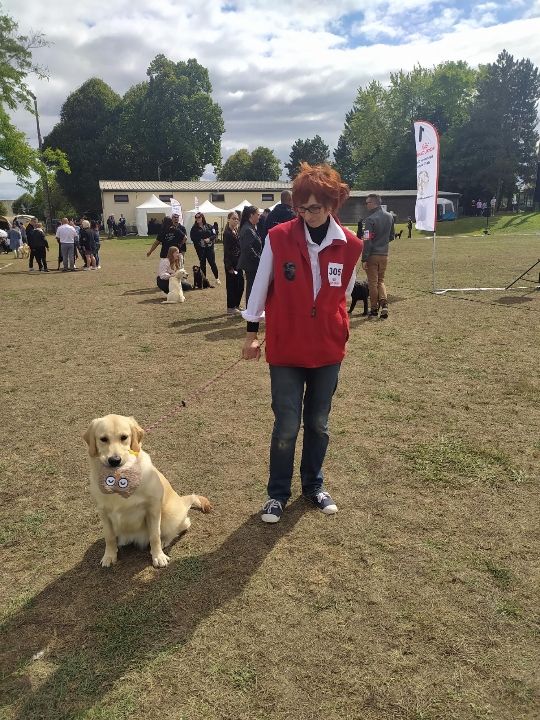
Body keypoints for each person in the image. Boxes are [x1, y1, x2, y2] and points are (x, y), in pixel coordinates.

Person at [241, 162, 362, 524]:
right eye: (301, 207)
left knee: (319, 422)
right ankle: (277, 494)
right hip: (286, 349)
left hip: (327, 349)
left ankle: (314, 486)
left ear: (331, 205)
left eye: (315, 207)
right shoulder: (278, 237)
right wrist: (251, 334)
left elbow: (344, 291)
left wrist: (331, 322)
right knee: (287, 423)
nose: (307, 214)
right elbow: (260, 285)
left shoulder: (350, 245)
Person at [362, 193, 394, 319]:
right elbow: (392, 236)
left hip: (372, 255)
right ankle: (384, 304)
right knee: (381, 281)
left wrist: (364, 258)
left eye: (367, 203)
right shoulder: (390, 216)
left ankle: (374, 309)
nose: (366, 205)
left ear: (374, 203)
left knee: (372, 283)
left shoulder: (370, 219)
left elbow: (367, 240)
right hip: (384, 254)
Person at [237, 205, 261, 304]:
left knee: (252, 288)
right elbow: (248, 248)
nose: (259, 216)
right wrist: (259, 259)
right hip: (251, 264)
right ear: (251, 215)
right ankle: (251, 311)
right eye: (258, 214)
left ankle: (252, 310)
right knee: (251, 289)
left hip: (251, 263)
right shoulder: (248, 229)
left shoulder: (250, 227)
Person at [223, 211, 244, 316]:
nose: (235, 220)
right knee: (232, 285)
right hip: (231, 263)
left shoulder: (236, 230)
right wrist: (229, 266)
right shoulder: (227, 233)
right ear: (228, 219)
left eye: (237, 219)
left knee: (240, 284)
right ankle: (231, 307)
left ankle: (236, 305)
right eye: (233, 218)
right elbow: (226, 251)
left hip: (238, 262)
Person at [189, 212, 220, 284]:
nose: (197, 219)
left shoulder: (209, 226)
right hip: (200, 249)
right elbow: (192, 238)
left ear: (202, 217)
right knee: (202, 264)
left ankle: (217, 278)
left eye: (199, 217)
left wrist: (209, 239)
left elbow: (214, 234)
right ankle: (204, 280)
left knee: (212, 263)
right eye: (196, 217)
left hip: (210, 248)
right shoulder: (194, 228)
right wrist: (201, 241)